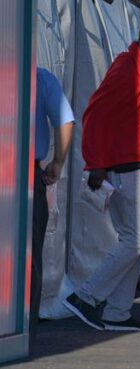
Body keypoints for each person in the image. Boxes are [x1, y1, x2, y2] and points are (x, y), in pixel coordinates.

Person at [63, 22, 140, 332]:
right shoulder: (126, 69)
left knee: (138, 241)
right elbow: (96, 115)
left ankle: (117, 312)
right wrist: (96, 163)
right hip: (124, 168)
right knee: (135, 239)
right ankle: (85, 297)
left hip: (137, 166)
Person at [31, 67, 75, 340]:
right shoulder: (40, 77)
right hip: (26, 173)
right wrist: (58, 161)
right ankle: (25, 326)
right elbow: (65, 121)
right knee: (30, 252)